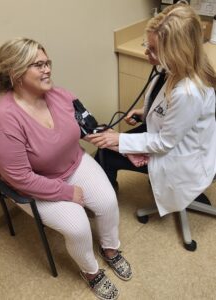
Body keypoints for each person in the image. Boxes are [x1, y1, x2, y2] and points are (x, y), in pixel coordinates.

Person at [0, 37, 132, 300]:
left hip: (72, 161)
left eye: (47, 62)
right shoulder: (2, 121)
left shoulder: (62, 95)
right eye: (38, 65)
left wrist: (124, 143)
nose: (48, 69)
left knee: (108, 201)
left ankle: (110, 249)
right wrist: (66, 192)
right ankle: (90, 271)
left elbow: (90, 128)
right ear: (16, 72)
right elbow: (20, 179)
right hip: (35, 184)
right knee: (77, 227)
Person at [89, 3, 216, 217]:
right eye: (147, 45)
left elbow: (165, 142)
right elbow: (171, 106)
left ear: (177, 51)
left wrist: (119, 140)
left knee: (105, 153)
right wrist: (144, 111)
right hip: (176, 138)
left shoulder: (188, 91)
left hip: (178, 157)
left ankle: (103, 207)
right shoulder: (177, 68)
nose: (147, 52)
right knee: (109, 142)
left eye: (154, 49)